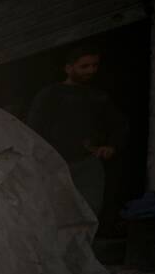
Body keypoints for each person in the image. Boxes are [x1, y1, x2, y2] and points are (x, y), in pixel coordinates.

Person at [27, 45, 127, 217]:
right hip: (55, 164)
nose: (91, 70)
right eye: (84, 66)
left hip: (88, 163)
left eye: (95, 65)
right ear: (68, 68)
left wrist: (112, 145)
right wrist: (40, 159)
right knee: (55, 213)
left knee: (89, 211)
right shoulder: (51, 94)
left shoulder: (99, 96)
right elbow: (33, 128)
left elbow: (119, 125)